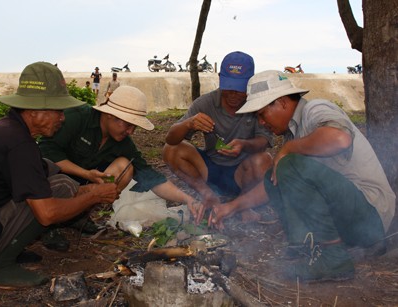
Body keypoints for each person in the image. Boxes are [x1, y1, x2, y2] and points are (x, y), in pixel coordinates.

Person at [0, 62, 120, 288]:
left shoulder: (8, 131)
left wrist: (88, 187)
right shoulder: (18, 143)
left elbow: (45, 169)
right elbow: (47, 214)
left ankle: (8, 250)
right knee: (56, 194)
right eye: (58, 111)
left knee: (62, 184)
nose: (63, 118)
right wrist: (93, 197)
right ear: (34, 112)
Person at [212, 70, 396, 282]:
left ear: (281, 102)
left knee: (289, 164)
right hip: (350, 217)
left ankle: (333, 258)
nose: (261, 122)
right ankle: (307, 247)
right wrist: (232, 207)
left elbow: (339, 138)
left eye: (261, 114)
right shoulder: (293, 131)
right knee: (275, 175)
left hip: (371, 216)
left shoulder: (315, 109)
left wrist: (289, 149)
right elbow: (273, 182)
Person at [38, 85, 198, 226]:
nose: (130, 132)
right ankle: (52, 225)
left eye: (134, 127)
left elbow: (151, 177)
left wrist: (188, 199)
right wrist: (86, 174)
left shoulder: (124, 143)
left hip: (85, 187)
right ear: (109, 115)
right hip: (54, 183)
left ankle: (80, 213)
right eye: (128, 125)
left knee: (124, 166)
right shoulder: (77, 117)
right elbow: (47, 152)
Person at [162, 51, 274, 225]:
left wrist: (243, 145)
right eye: (229, 87)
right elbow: (171, 140)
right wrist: (189, 124)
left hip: (242, 173)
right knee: (172, 150)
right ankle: (208, 195)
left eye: (240, 89)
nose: (233, 94)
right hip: (210, 170)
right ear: (221, 80)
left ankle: (243, 204)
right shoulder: (206, 103)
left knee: (265, 160)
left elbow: (264, 141)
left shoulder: (257, 103)